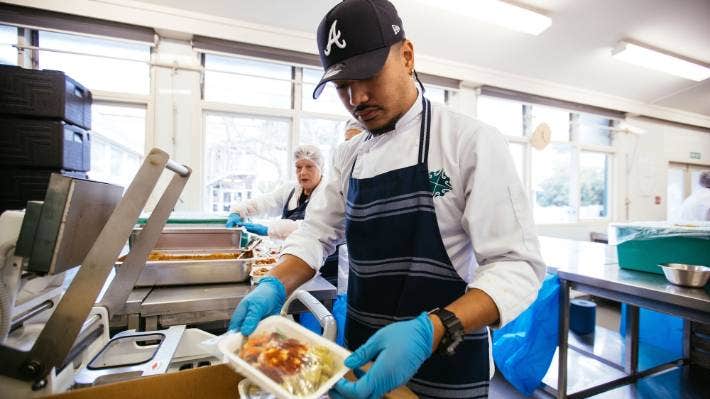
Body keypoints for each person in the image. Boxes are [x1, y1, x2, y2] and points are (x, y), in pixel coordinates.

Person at [229, 1, 545, 398]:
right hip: (360, 357)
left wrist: (431, 329)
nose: (357, 97)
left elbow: (517, 265)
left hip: (446, 362)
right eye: (343, 86)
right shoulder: (349, 155)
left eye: (369, 76)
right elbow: (317, 232)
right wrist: (274, 284)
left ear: (407, 56)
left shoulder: (468, 142)